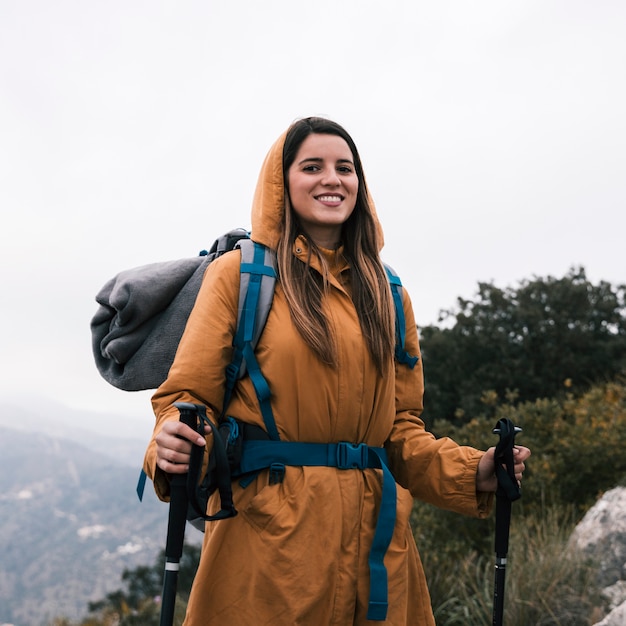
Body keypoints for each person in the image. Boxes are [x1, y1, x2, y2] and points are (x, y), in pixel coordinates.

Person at [143, 116, 531, 625]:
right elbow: (188, 397)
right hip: (268, 547)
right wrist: (170, 441)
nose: (332, 179)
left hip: (378, 549)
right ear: (282, 184)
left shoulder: (390, 295)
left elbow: (399, 436)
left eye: (344, 168)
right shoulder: (240, 277)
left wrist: (474, 470)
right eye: (312, 166)